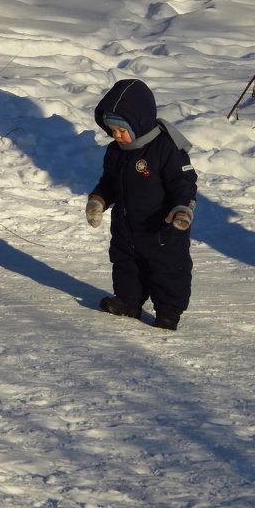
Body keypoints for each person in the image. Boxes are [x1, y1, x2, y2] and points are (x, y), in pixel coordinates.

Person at [86, 79, 197, 331]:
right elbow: (109, 182)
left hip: (163, 228)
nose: (115, 135)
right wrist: (98, 200)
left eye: (120, 130)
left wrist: (182, 208)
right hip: (126, 227)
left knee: (167, 268)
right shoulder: (116, 151)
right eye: (111, 129)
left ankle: (168, 310)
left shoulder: (166, 148)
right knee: (126, 264)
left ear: (138, 123)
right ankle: (128, 301)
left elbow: (184, 182)